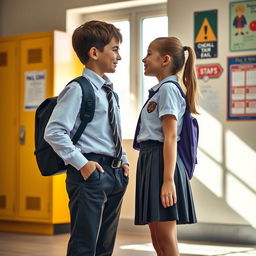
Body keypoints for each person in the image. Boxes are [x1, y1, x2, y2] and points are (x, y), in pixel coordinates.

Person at [44, 20, 129, 256]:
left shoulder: (110, 93)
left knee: (104, 247)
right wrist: (83, 164)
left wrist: (124, 160)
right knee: (84, 246)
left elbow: (112, 133)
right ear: (94, 53)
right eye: (115, 49)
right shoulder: (78, 89)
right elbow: (54, 131)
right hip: (90, 173)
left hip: (114, 174)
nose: (119, 56)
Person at [133, 37, 198, 256]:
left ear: (165, 59)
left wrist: (168, 181)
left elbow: (170, 137)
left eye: (149, 53)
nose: (144, 58)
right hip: (151, 160)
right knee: (157, 238)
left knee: (166, 237)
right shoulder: (160, 90)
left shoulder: (169, 90)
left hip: (162, 163)